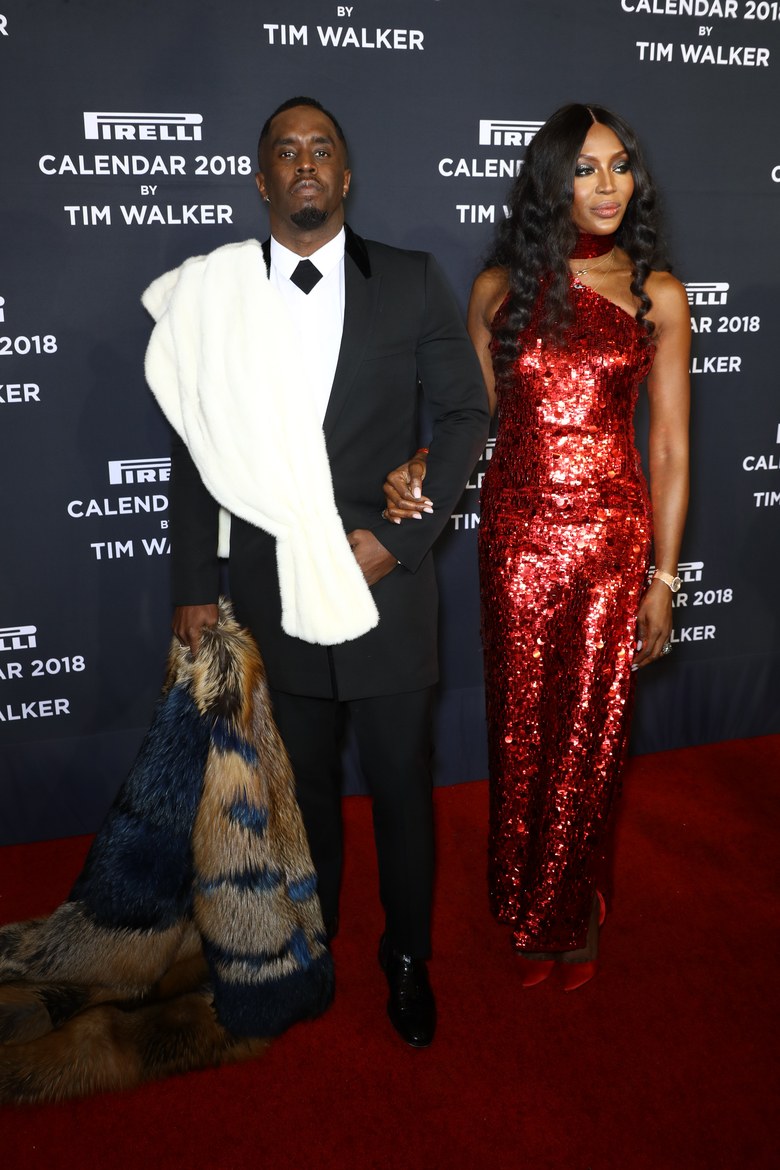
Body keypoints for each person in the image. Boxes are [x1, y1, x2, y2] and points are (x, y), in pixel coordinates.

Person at [144, 97, 489, 1046]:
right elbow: (196, 448)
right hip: (268, 584)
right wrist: (190, 583)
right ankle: (316, 937)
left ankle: (407, 957)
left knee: (400, 785)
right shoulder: (218, 296)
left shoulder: (414, 282)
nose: (305, 164)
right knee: (299, 787)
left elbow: (465, 416)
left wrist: (400, 537)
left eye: (322, 150)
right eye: (285, 152)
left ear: (346, 177)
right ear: (261, 181)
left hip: (387, 586)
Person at [383, 103, 690, 988]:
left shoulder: (654, 293)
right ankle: (524, 899)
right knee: (521, 727)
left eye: (620, 166)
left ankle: (573, 902)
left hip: (609, 538)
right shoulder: (498, 287)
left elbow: (667, 448)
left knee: (594, 730)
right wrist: (420, 465)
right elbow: (470, 419)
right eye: (586, 168)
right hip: (516, 535)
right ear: (552, 179)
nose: (608, 186)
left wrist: (663, 578)